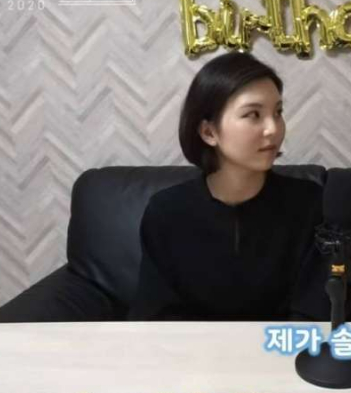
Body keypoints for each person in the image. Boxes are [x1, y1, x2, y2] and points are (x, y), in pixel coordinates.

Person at [128, 52, 327, 321]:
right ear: (209, 132)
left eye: (278, 112)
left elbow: (313, 311)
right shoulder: (167, 211)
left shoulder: (309, 203)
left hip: (282, 347)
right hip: (193, 346)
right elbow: (157, 313)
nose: (273, 128)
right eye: (253, 114)